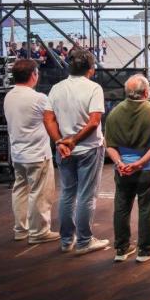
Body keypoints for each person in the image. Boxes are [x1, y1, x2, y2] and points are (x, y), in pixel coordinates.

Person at [43, 48, 109, 255]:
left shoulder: (56, 88)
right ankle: (84, 241)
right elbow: (94, 121)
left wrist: (60, 142)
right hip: (88, 148)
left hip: (64, 150)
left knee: (67, 194)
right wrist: (73, 141)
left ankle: (65, 240)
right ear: (90, 69)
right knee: (86, 196)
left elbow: (48, 118)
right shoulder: (94, 88)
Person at [105, 75, 150, 263]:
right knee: (146, 209)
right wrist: (140, 163)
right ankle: (145, 248)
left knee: (121, 207)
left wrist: (120, 163)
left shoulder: (114, 113)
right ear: (146, 92)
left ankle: (122, 248)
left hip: (123, 171)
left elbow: (109, 144)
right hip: (148, 169)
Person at [3, 59, 58, 243]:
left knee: (20, 190)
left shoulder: (9, 96)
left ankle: (21, 229)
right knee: (40, 193)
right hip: (37, 154)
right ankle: (39, 232)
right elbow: (52, 119)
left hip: (18, 153)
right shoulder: (39, 98)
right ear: (33, 75)